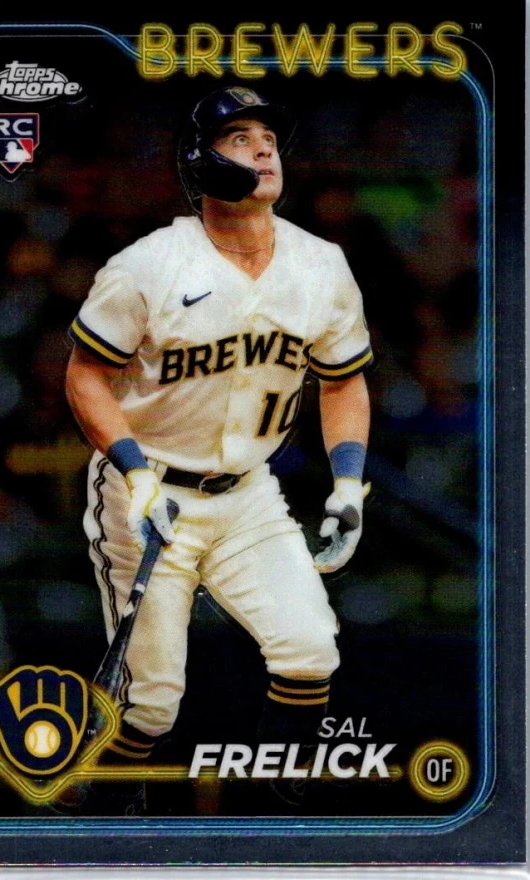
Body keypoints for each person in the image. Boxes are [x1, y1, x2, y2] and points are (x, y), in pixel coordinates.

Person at [65, 86, 373, 809]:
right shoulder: (147, 265)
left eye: (268, 138)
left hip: (247, 492)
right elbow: (84, 376)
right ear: (200, 162)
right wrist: (133, 473)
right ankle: (94, 817)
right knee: (151, 704)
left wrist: (348, 484)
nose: (262, 148)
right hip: (147, 489)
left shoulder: (321, 263)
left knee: (310, 649)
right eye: (239, 138)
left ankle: (277, 823)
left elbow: (343, 381)